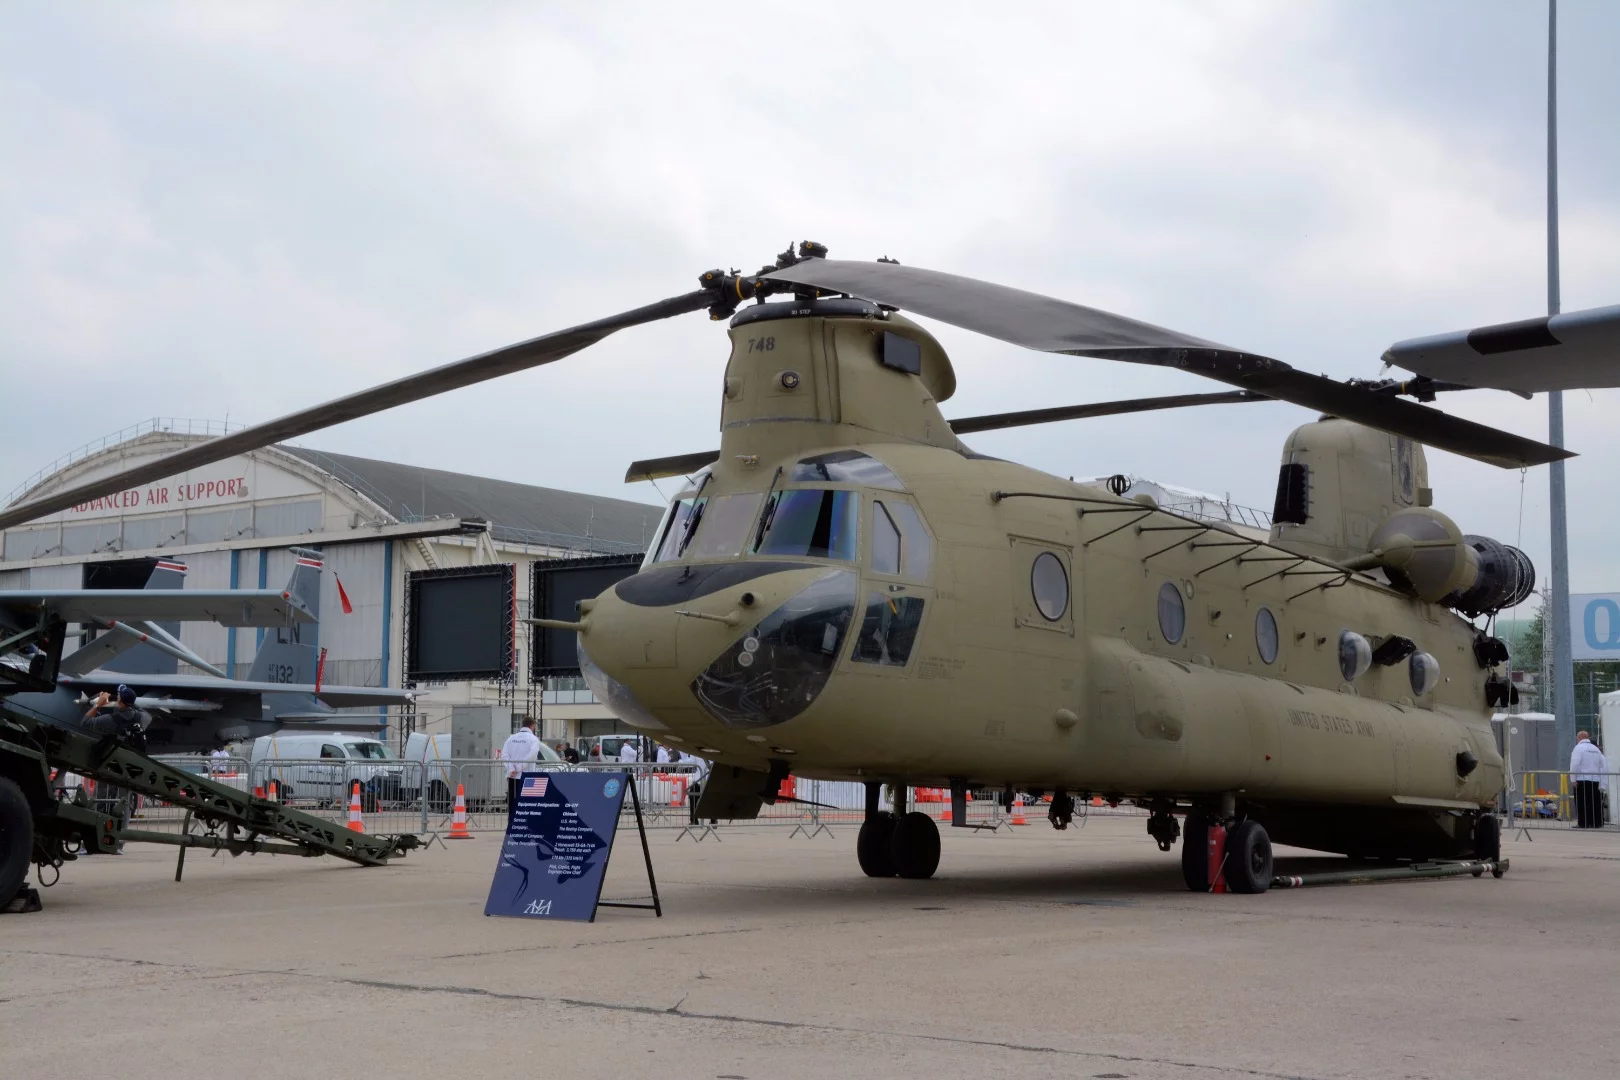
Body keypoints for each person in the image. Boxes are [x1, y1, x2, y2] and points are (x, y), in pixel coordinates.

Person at [499, 718, 542, 817]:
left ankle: (511, 823)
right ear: (532, 726)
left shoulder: (511, 738)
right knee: (527, 801)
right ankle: (524, 823)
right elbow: (531, 756)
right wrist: (519, 767)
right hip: (528, 776)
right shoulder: (533, 739)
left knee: (512, 801)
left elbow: (504, 755)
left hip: (512, 776)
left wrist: (512, 769)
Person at [1569, 730, 1609, 829]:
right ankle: (1596, 823)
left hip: (1582, 780)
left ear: (1579, 738)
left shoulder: (1578, 748)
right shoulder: (1596, 749)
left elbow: (1574, 764)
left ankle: (1583, 823)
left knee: (1582, 802)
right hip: (1595, 780)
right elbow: (1602, 764)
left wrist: (1573, 779)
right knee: (1594, 802)